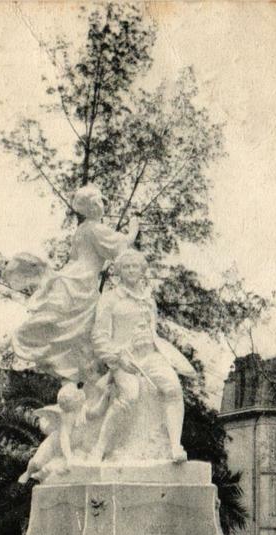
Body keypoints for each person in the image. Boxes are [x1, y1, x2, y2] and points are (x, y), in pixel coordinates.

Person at [12, 185, 139, 383]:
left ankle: (77, 370)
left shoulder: (81, 229)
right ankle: (86, 371)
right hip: (84, 280)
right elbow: (120, 245)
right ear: (94, 207)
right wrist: (134, 229)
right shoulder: (95, 229)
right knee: (87, 327)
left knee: (75, 328)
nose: (103, 206)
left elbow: (74, 257)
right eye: (99, 202)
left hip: (72, 276)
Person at [90, 249, 195, 463]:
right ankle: (99, 448)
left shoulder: (148, 300)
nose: (130, 270)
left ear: (142, 270)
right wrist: (118, 357)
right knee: (129, 395)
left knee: (173, 388)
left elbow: (152, 331)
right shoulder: (110, 299)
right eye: (126, 267)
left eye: (134, 266)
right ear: (118, 271)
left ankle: (175, 446)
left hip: (151, 355)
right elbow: (99, 337)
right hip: (124, 359)